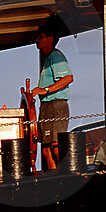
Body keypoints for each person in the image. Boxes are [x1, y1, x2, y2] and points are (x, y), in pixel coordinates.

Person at [30, 21, 74, 170]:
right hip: (46, 106)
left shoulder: (56, 56)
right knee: (46, 146)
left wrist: (46, 90)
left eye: (40, 37)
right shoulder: (47, 59)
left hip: (56, 105)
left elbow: (68, 78)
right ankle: (54, 177)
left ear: (50, 38)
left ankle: (65, 173)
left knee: (55, 144)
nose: (37, 40)